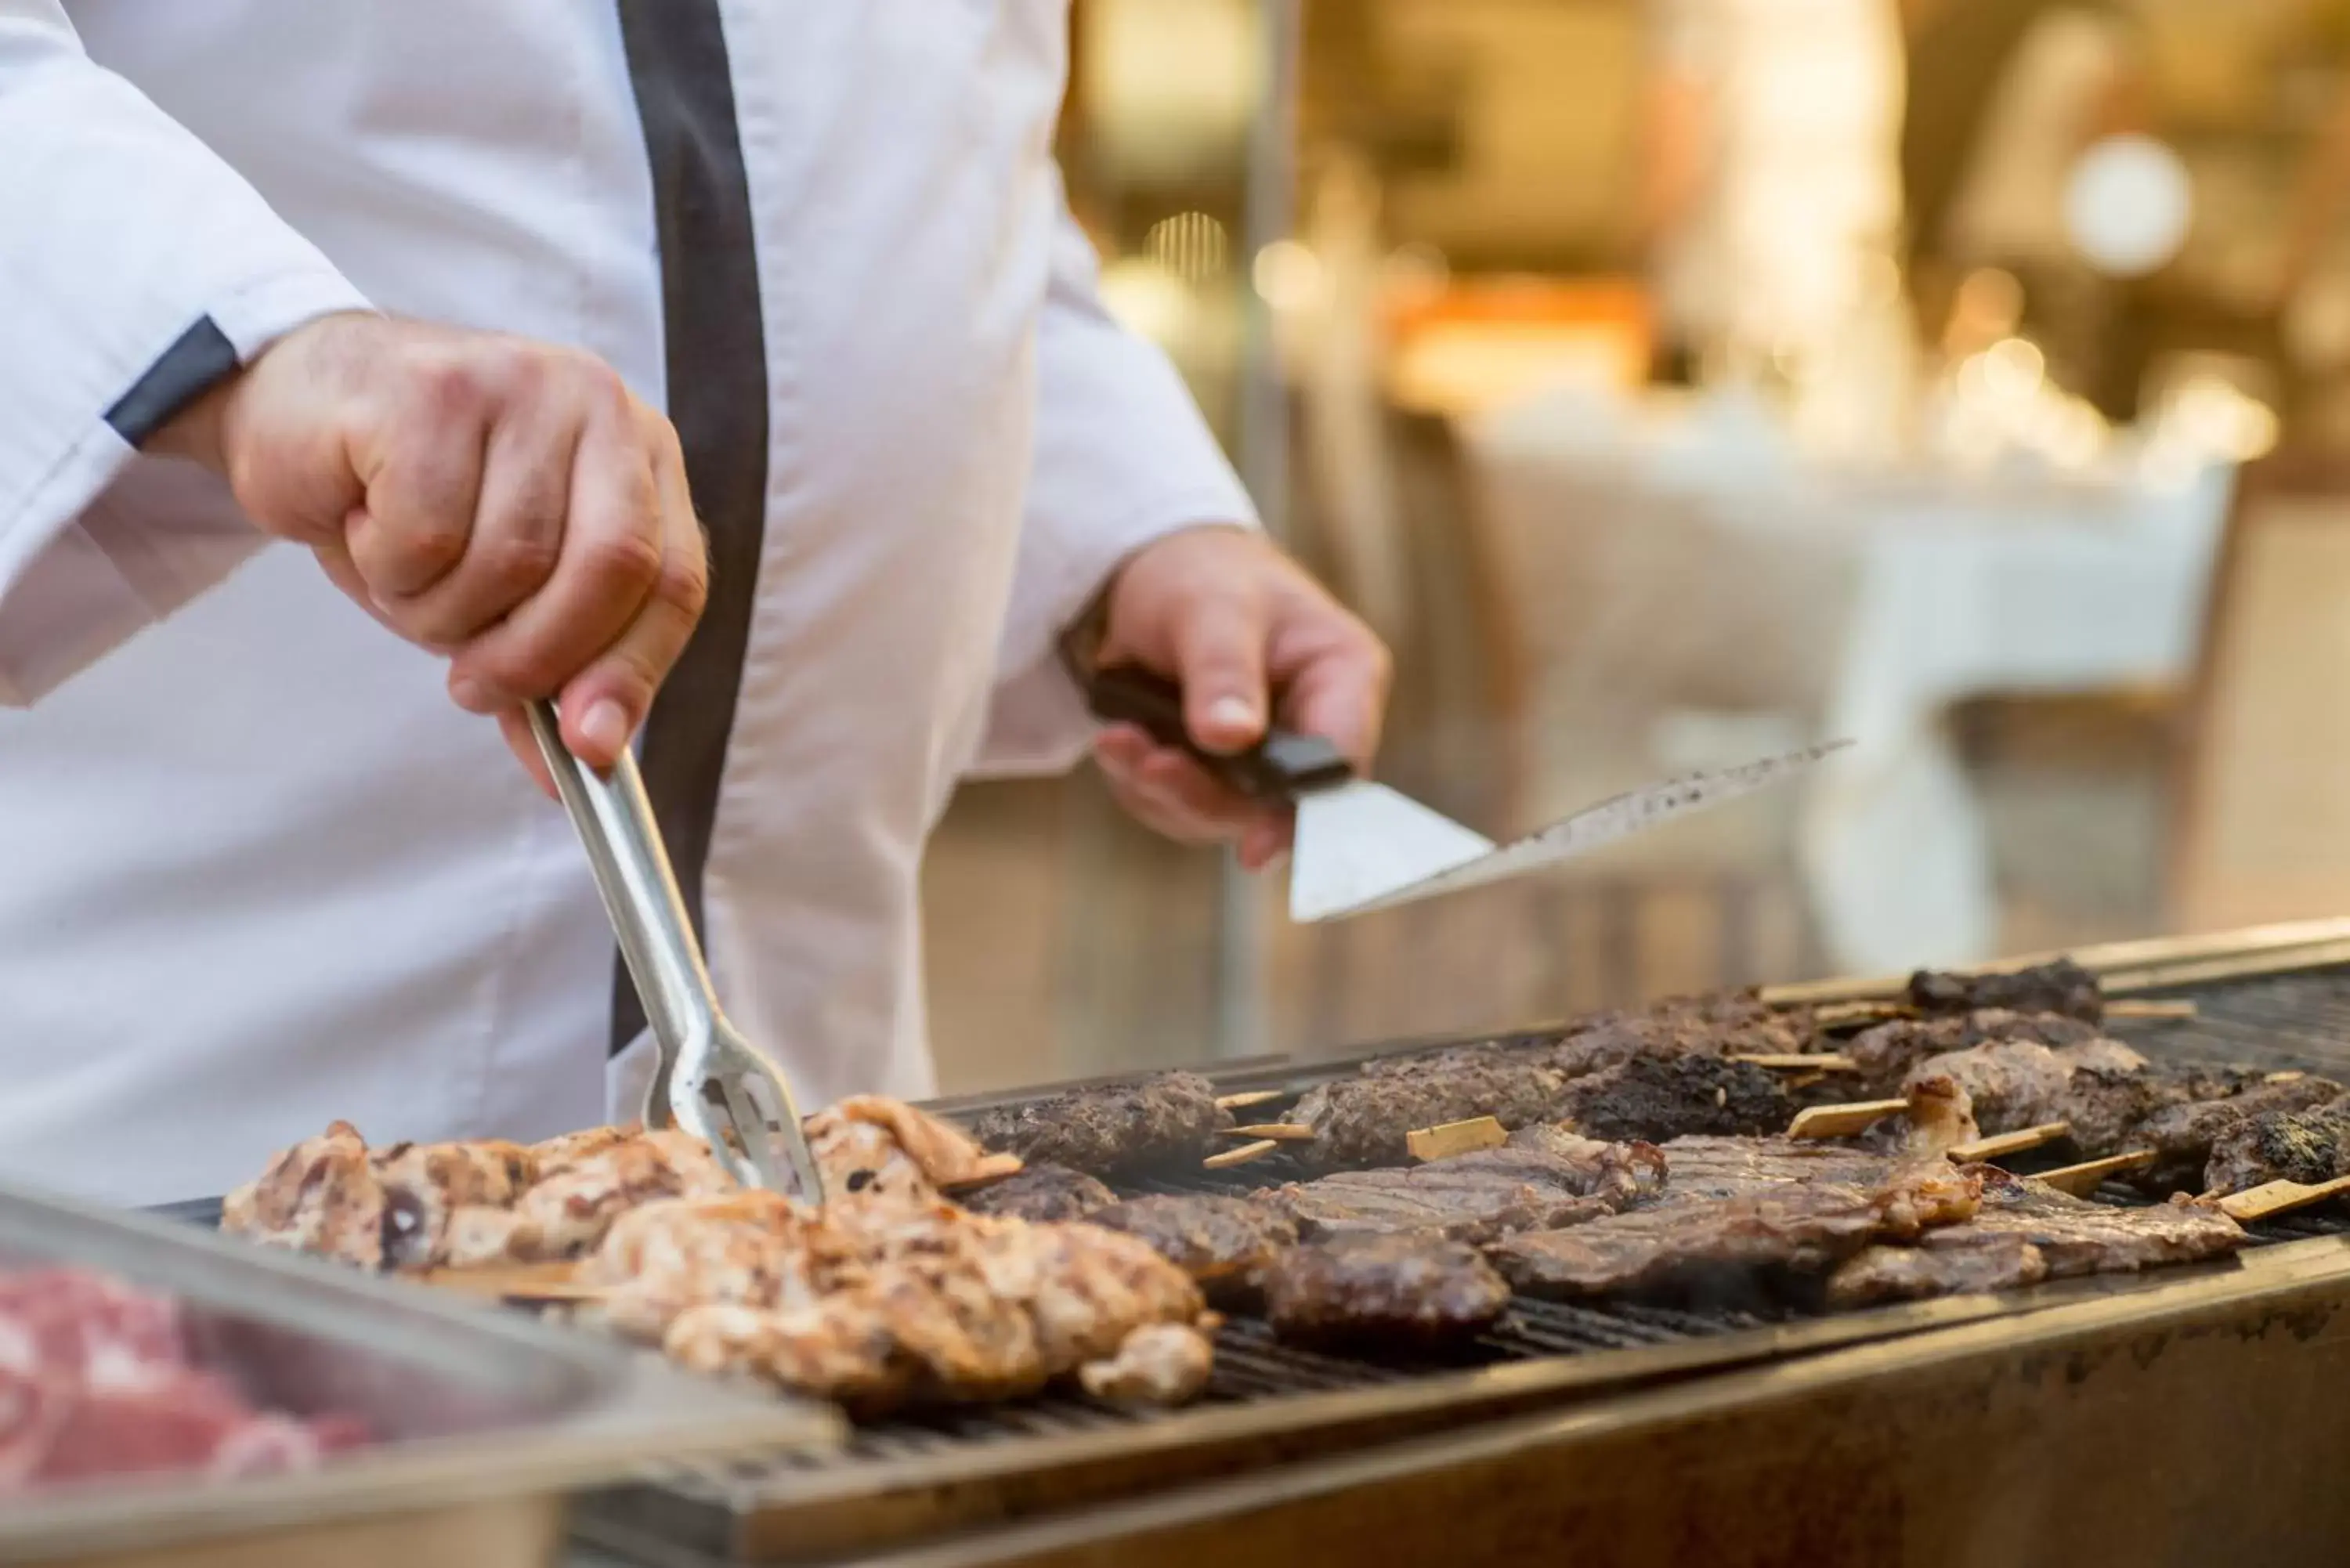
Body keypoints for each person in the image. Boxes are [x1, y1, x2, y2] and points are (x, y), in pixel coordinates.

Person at [0, 2, 1390, 1205]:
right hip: (183, 1125)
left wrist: (1137, 528)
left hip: (825, 1128)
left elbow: (950, 172)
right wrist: (255, 350)